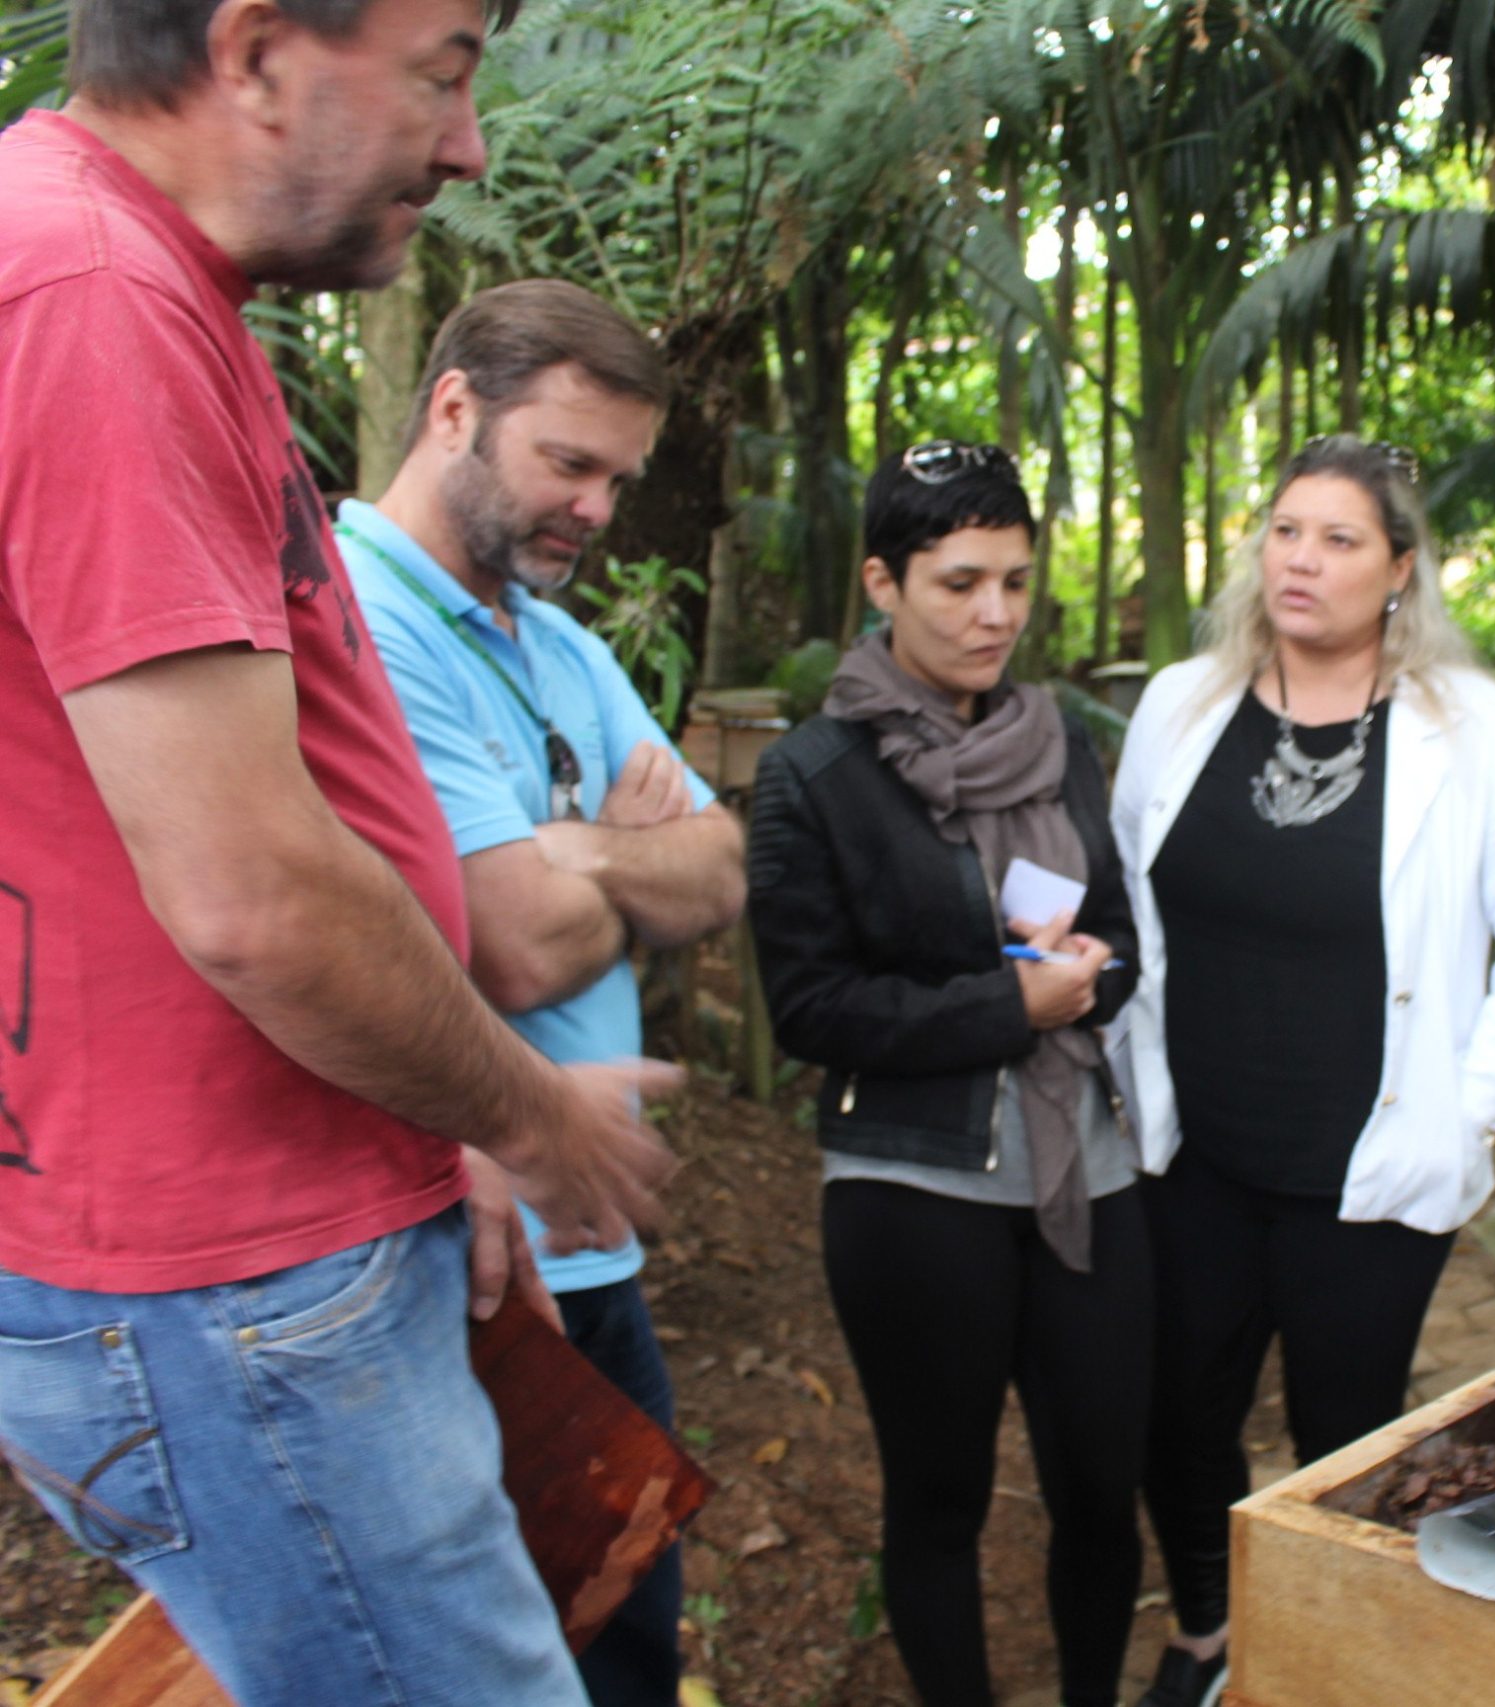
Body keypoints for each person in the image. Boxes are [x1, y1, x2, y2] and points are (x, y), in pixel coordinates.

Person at [0, 4, 677, 1705]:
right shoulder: (89, 299)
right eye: (445, 72)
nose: (468, 146)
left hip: (258, 1248)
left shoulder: (134, 279)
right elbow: (251, 892)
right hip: (229, 1293)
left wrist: (416, 1116)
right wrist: (528, 1110)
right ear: (252, 48)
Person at [1111, 435, 1495, 1707]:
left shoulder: (1477, 733)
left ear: (1398, 570)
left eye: (1338, 539)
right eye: (1285, 531)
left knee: (1346, 1439)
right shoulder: (1179, 703)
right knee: (1177, 1416)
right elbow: (1130, 904)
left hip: (1367, 1174)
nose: (1302, 560)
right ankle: (1215, 1631)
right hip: (1194, 1150)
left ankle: (1323, 1665)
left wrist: (1466, 1107)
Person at [340, 279, 745, 1707]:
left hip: (593, 1251)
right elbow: (508, 946)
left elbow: (721, 868)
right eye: (567, 462)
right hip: (451, 1250)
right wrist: (618, 852)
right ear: (454, 406)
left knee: (623, 1614)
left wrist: (578, 856)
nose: (596, 508)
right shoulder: (357, 614)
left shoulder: (556, 639)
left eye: (618, 480)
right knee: (485, 1656)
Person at [748, 441, 1147, 1707]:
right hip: (915, 1191)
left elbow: (1124, 937)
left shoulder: (1063, 740)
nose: (996, 616)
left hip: (1089, 1168)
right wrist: (1002, 1004)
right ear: (882, 581)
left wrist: (1090, 969)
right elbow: (811, 1009)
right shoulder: (812, 777)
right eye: (959, 582)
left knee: (1099, 1477)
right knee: (941, 1497)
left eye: (1017, 583)